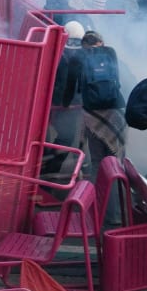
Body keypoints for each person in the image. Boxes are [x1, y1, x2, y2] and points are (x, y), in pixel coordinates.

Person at [65, 31, 126, 224]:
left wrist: (65, 104)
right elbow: (117, 81)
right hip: (115, 112)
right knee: (117, 162)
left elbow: (70, 86)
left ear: (83, 44)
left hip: (92, 114)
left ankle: (101, 210)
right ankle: (120, 213)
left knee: (99, 163)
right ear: (101, 41)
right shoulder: (110, 52)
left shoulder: (78, 56)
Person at [44, 21, 87, 176]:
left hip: (66, 106)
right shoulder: (56, 56)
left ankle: (48, 170)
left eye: (76, 43)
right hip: (56, 105)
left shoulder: (61, 54)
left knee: (65, 139)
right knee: (58, 139)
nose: (73, 47)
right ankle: (46, 171)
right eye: (71, 42)